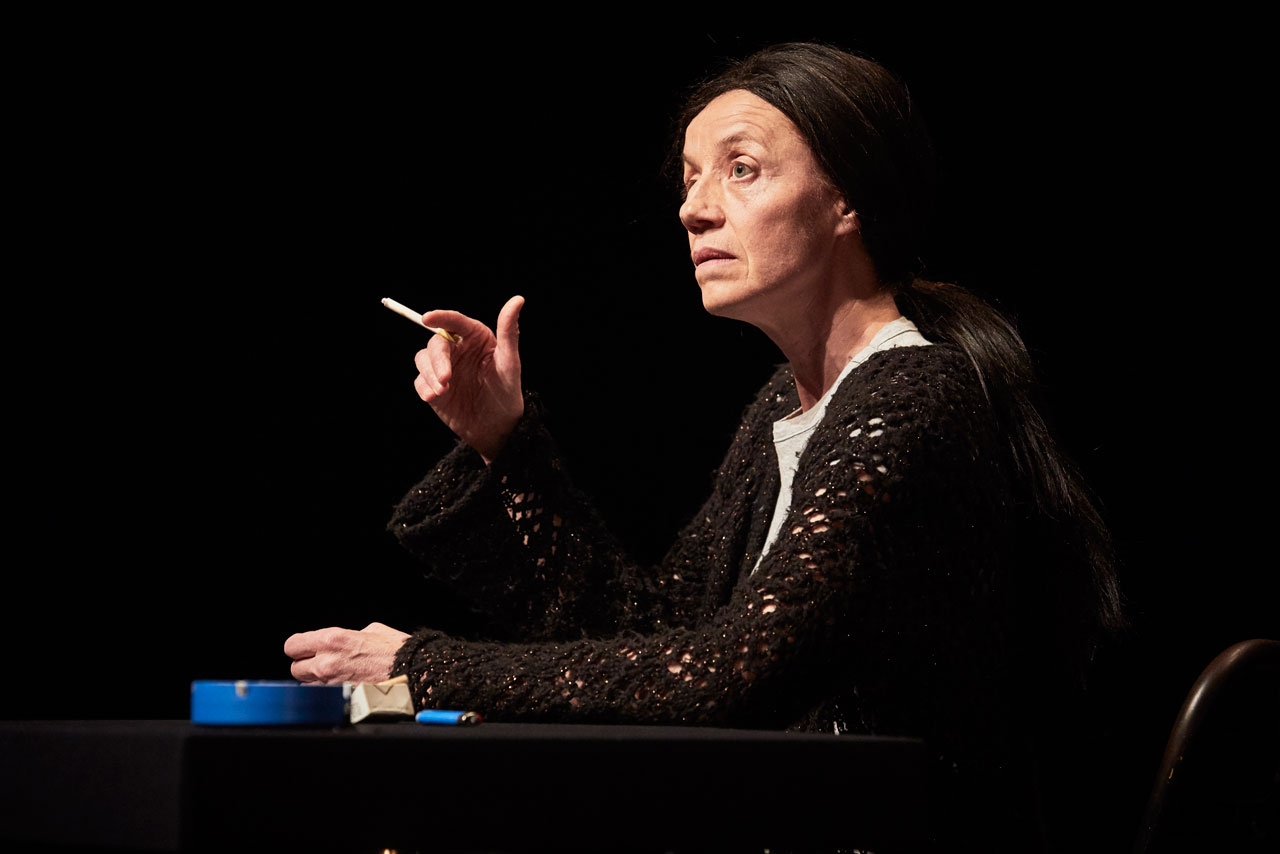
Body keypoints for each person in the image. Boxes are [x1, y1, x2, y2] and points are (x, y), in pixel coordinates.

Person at [285, 43, 1123, 848]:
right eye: (690, 179)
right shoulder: (786, 405)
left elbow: (725, 675)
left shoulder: (912, 393)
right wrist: (502, 442)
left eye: (741, 169)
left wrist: (423, 670)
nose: (693, 209)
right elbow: (653, 632)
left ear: (848, 199)